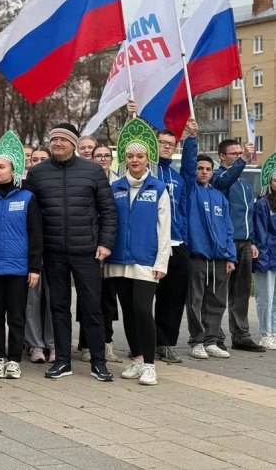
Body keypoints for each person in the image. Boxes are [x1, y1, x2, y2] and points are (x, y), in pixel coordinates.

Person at [27, 122, 117, 382]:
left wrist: (105, 242)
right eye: (54, 140)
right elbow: (31, 215)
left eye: (63, 140)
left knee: (92, 308)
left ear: (74, 143)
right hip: (53, 252)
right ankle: (63, 361)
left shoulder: (92, 171)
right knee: (58, 307)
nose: (57, 144)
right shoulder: (38, 173)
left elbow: (108, 210)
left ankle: (98, 362)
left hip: (87, 251)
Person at [106, 119, 170, 386]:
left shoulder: (158, 188)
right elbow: (108, 222)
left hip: (146, 260)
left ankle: (151, 366)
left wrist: (162, 261)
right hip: (118, 260)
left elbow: (164, 228)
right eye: (130, 156)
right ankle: (139, 359)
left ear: (148, 159)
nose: (134, 160)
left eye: (140, 156)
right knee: (129, 311)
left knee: (143, 310)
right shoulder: (115, 187)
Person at [0, 132, 42, 381]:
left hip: (18, 269)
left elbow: (36, 235)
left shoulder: (26, 198)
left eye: (1, 167)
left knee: (16, 316)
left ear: (12, 170)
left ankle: (14, 359)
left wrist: (34, 267)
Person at [181, 119, 236, 359]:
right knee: (196, 301)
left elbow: (228, 228)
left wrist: (231, 255)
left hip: (220, 257)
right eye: (200, 168)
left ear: (212, 172)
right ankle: (197, 341)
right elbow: (186, 164)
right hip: (197, 255)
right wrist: (191, 139)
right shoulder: (190, 190)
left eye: (207, 169)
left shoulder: (219, 196)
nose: (203, 171)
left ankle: (212, 340)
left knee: (217, 301)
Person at [212, 138, 265, 352]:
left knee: (241, 292)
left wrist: (251, 240)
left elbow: (248, 214)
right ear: (222, 156)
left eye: (239, 153)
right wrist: (242, 160)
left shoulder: (244, 183)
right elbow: (225, 181)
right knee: (219, 291)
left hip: (244, 243)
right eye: (233, 153)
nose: (237, 156)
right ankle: (214, 335)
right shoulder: (218, 177)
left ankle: (241, 335)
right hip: (227, 242)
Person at [76, 143, 121, 364]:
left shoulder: (118, 183)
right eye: (98, 156)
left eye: (106, 156)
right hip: (89, 247)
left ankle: (107, 344)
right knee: (89, 299)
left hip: (110, 247)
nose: (102, 159)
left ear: (111, 159)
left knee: (108, 300)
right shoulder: (85, 180)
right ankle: (86, 344)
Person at [153, 128, 190, 364]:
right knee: (144, 298)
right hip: (151, 243)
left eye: (171, 143)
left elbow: (184, 211)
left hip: (176, 242)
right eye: (162, 142)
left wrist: (184, 235)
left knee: (174, 296)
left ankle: (165, 343)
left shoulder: (177, 177)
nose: (167, 146)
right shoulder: (147, 171)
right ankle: (143, 342)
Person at [253, 153, 276, 350]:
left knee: (275, 299)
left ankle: (274, 331)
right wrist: (262, 257)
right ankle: (265, 333)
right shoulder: (263, 203)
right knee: (265, 298)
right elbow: (261, 233)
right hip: (267, 257)